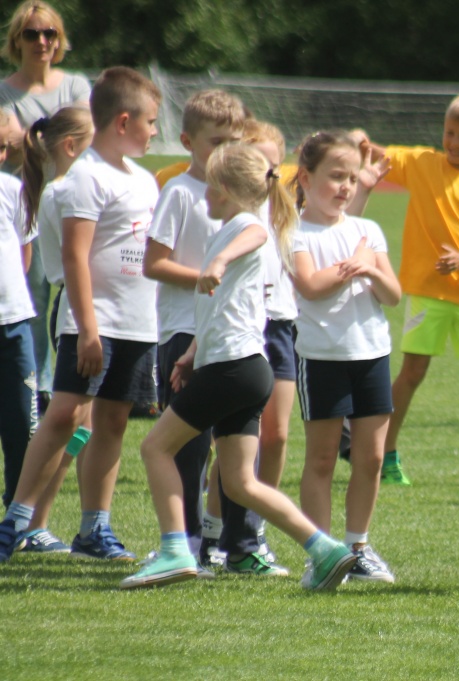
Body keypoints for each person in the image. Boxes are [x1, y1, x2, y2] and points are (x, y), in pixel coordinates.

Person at [120, 142, 358, 590]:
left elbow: (256, 234)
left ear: (226, 189)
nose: (205, 194)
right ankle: (325, 551)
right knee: (241, 482)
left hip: (232, 369)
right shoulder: (228, 228)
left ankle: (175, 550)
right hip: (247, 368)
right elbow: (230, 309)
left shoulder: (244, 224)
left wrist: (220, 259)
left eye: (211, 186)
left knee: (155, 448)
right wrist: (192, 353)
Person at [0, 66, 160, 563]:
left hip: (139, 322)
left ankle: (94, 529)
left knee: (111, 420)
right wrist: (89, 329)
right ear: (124, 121)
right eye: (151, 122)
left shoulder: (145, 180)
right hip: (92, 322)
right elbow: (74, 257)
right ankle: (17, 522)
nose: (155, 131)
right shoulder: (86, 178)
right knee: (67, 413)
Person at [142, 89, 288, 577]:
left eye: (234, 140)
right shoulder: (182, 193)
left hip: (227, 339)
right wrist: (210, 274)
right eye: (216, 141)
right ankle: (182, 545)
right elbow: (155, 264)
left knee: (233, 452)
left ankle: (238, 544)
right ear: (188, 141)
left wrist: (222, 275)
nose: (225, 150)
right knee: (187, 446)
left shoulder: (241, 200)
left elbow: (255, 244)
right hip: (186, 330)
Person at [373, 91, 459, 486]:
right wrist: (357, 143)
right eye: (450, 132)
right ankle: (386, 455)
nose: (454, 142)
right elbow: (377, 155)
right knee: (412, 373)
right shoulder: (422, 164)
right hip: (426, 294)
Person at [290, 130, 402, 583]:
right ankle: (323, 550)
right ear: (305, 177)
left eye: (352, 179)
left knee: (370, 458)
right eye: (335, 176)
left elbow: (392, 295)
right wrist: (350, 264)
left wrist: (370, 264)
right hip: (321, 358)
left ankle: (358, 545)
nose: (345, 187)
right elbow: (311, 288)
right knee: (320, 460)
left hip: (371, 353)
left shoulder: (367, 231)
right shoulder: (294, 231)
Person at [0, 0, 91, 416]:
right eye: (32, 33)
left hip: (74, 203)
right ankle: (35, 384)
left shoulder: (74, 86)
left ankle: (76, 376)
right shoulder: (5, 91)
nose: (42, 41)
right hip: (26, 205)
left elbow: (82, 137)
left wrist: (29, 140)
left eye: (50, 33)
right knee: (32, 296)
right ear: (16, 39)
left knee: (76, 291)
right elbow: (13, 146)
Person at [14, 105, 93, 553]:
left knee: (83, 425)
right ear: (71, 146)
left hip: (94, 307)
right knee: (66, 420)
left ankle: (35, 520)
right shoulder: (64, 191)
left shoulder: (68, 188)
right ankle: (29, 519)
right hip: (76, 309)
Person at [0, 109, 37, 519]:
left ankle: (18, 514)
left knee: (23, 424)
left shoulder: (13, 190)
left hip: (14, 323)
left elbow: (23, 252)